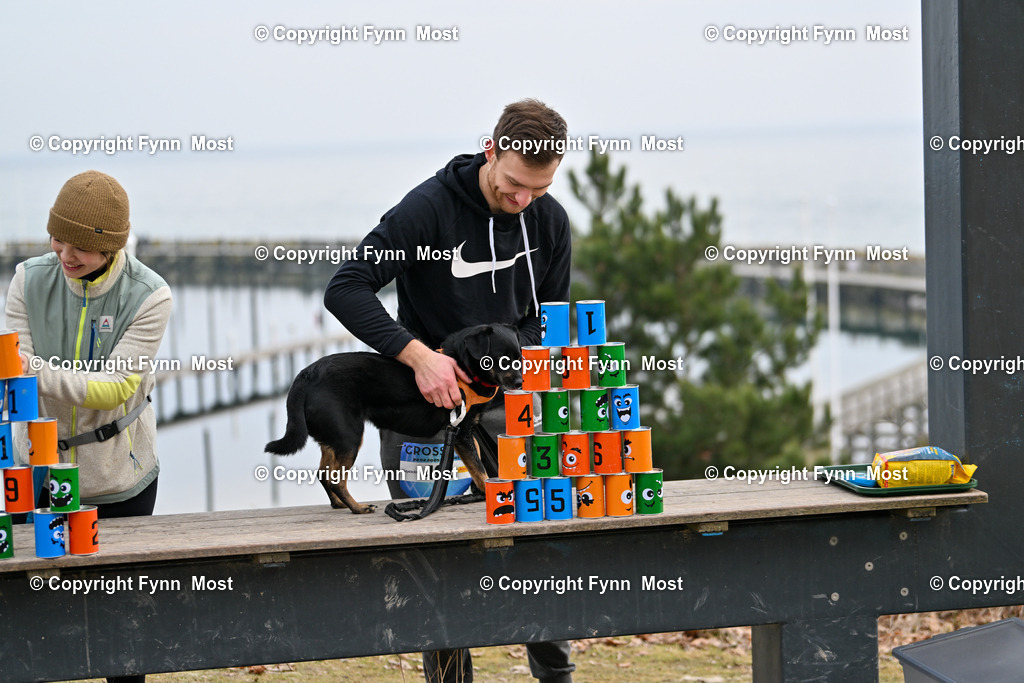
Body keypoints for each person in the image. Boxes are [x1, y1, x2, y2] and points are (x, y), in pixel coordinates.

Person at [325, 99, 575, 683]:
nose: (523, 201)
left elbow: (553, 317)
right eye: (515, 184)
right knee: (438, 580)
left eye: (538, 188)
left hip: (510, 411)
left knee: (541, 559)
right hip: (426, 410)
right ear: (491, 150)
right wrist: (418, 357)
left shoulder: (549, 220)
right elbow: (346, 287)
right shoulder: (428, 210)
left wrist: (530, 371)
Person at [4, 170, 172, 683]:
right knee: (33, 622)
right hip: (38, 474)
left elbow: (114, 388)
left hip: (121, 477)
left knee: (124, 628)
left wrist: (30, 369)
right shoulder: (28, 278)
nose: (65, 255)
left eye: (81, 247)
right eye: (58, 239)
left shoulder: (150, 296)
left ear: (113, 245)